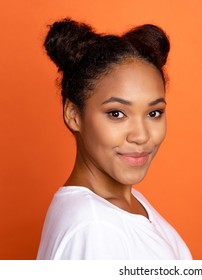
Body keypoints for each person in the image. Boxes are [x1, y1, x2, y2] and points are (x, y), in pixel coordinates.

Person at [37, 18, 192, 260]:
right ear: (73, 115)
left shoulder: (125, 203)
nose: (141, 136)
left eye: (154, 113)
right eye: (116, 114)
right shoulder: (96, 227)